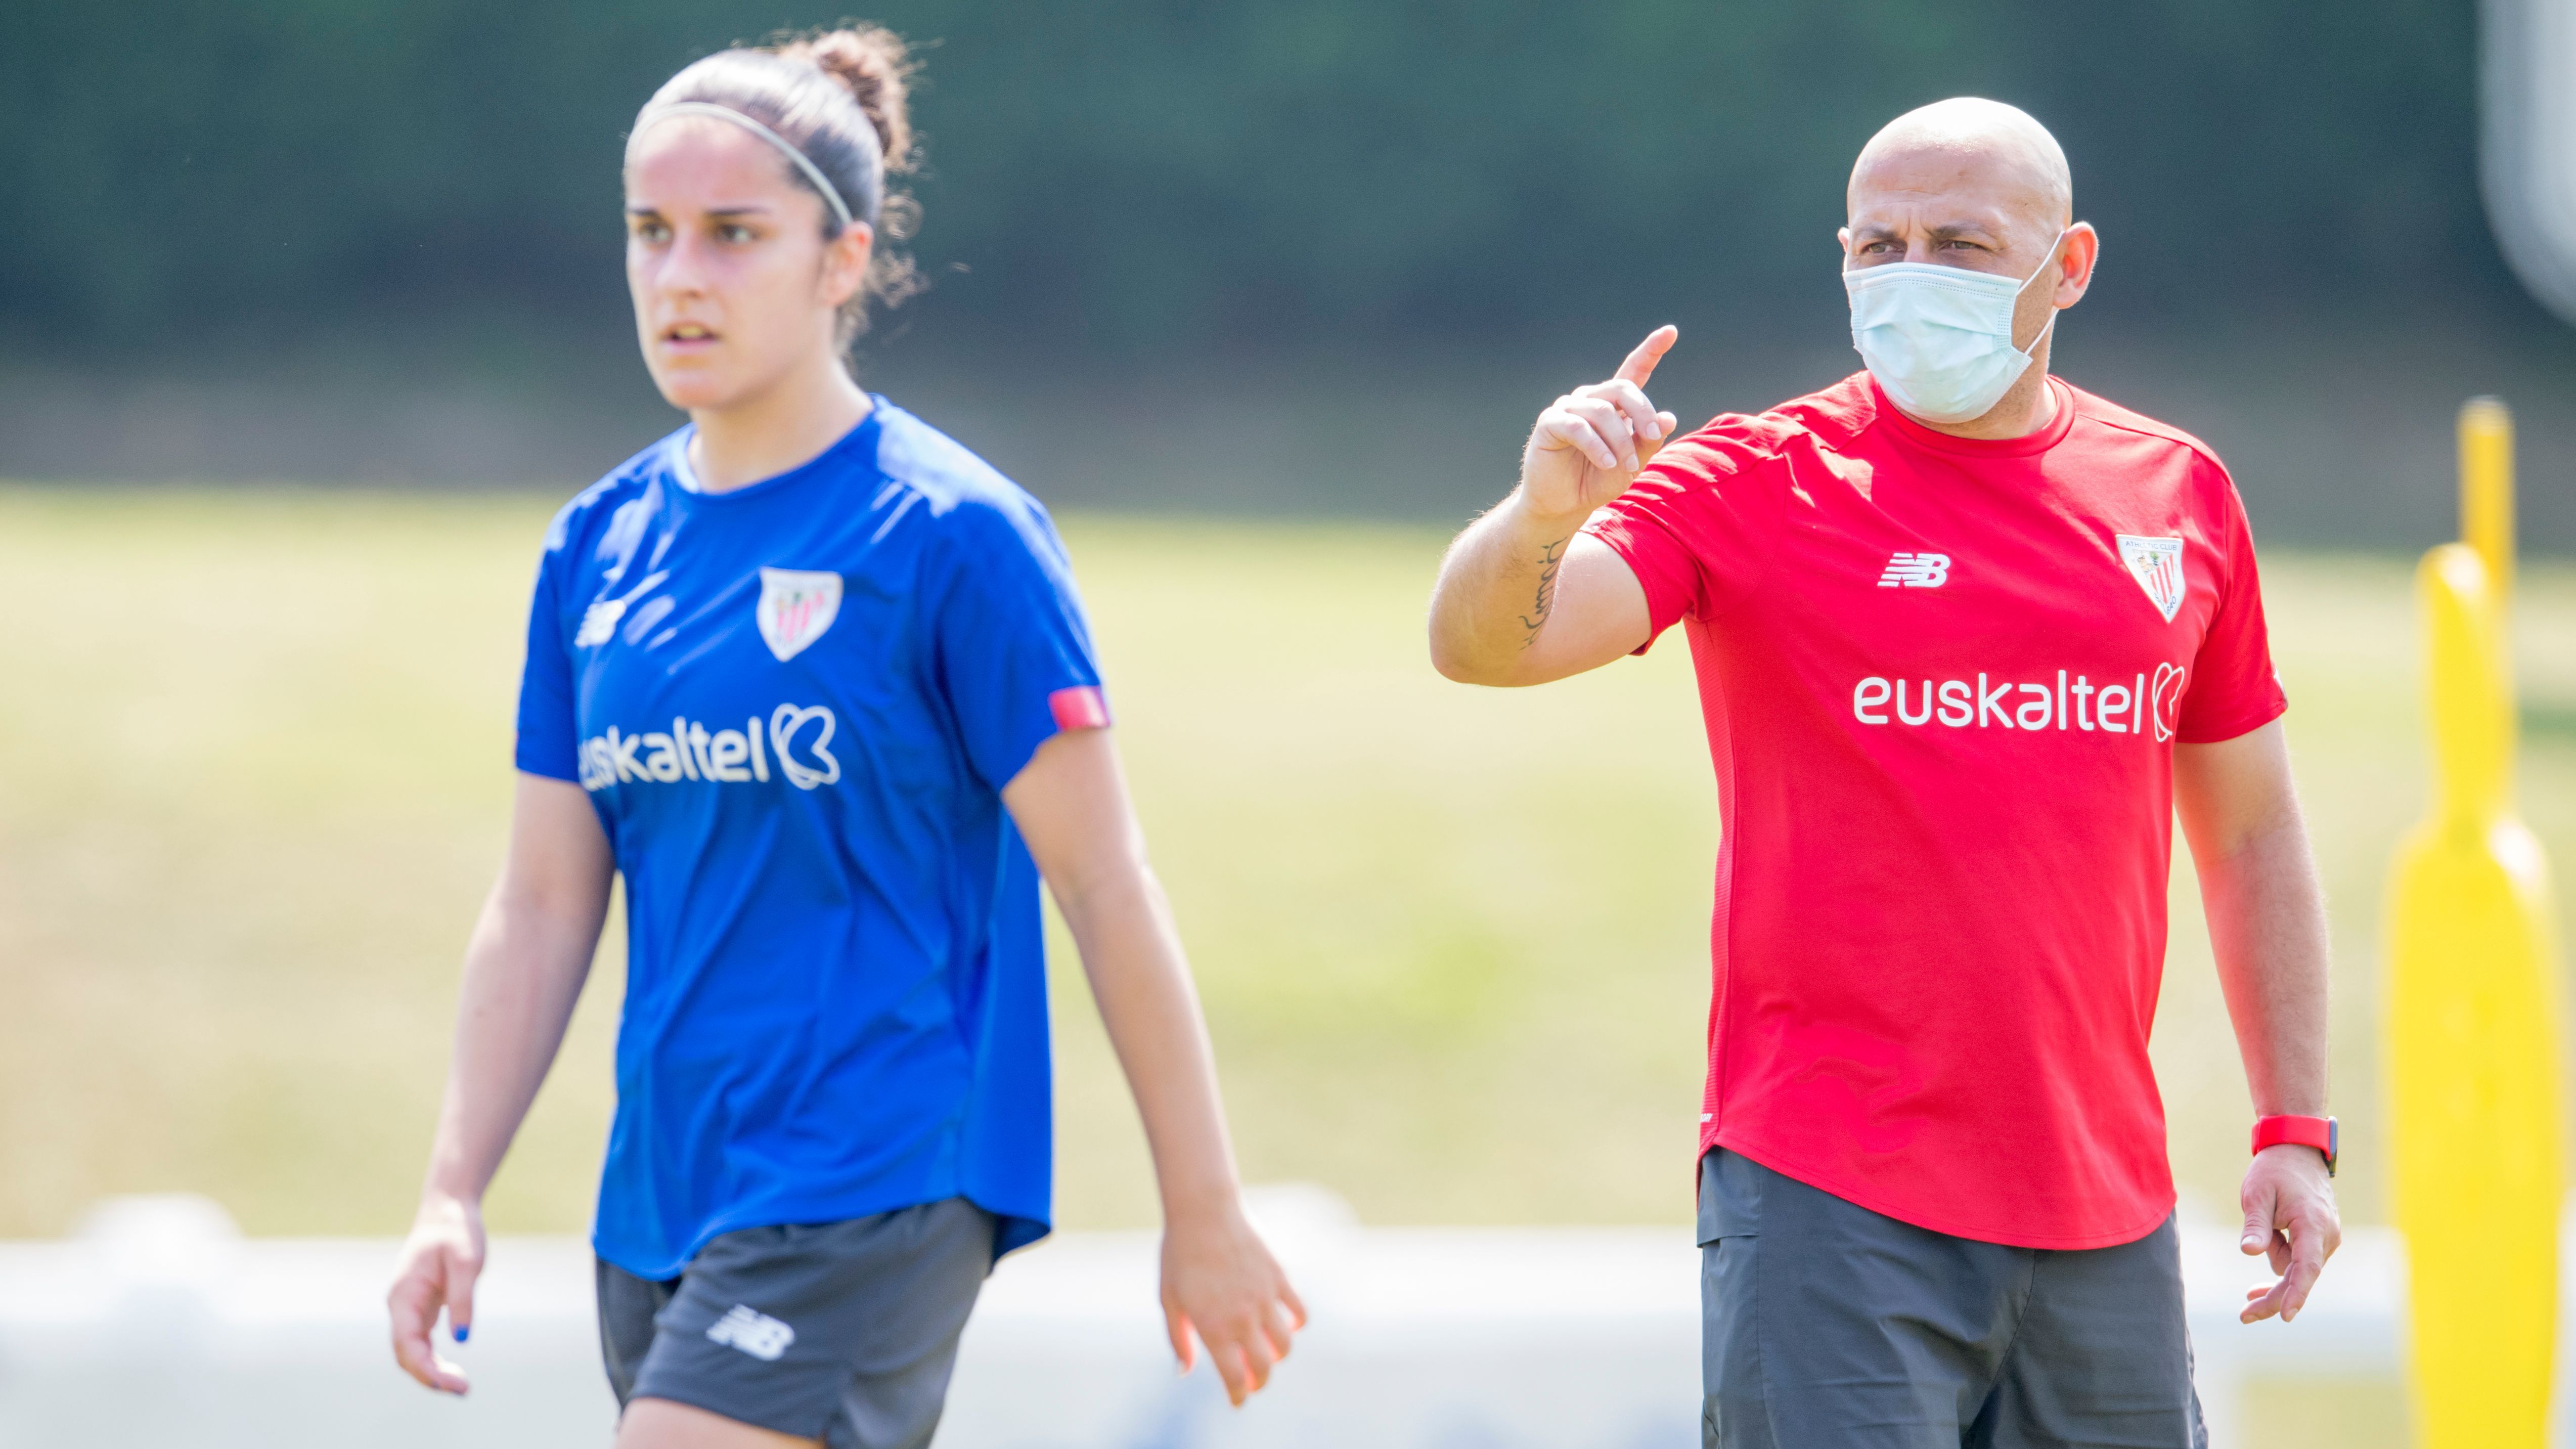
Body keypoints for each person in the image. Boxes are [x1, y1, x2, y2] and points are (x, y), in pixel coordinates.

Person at [384, 27, 1302, 1448]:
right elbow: (544, 900)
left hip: (879, 1167)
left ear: (843, 259)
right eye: (650, 232)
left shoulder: (955, 536)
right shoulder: (595, 548)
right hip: (664, 1191)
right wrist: (453, 1186)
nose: (680, 276)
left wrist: (1206, 1207)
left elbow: (1105, 880)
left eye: (734, 234)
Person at [1427, 97, 2338, 1447]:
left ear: (2069, 266)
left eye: (1960, 244)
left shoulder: (2179, 495)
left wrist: (2293, 1127)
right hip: (1829, 1197)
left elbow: (2251, 830)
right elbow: (1485, 647)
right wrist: (1540, 514)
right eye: (1878, 246)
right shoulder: (1753, 477)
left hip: (2104, 1207)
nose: (1912, 277)